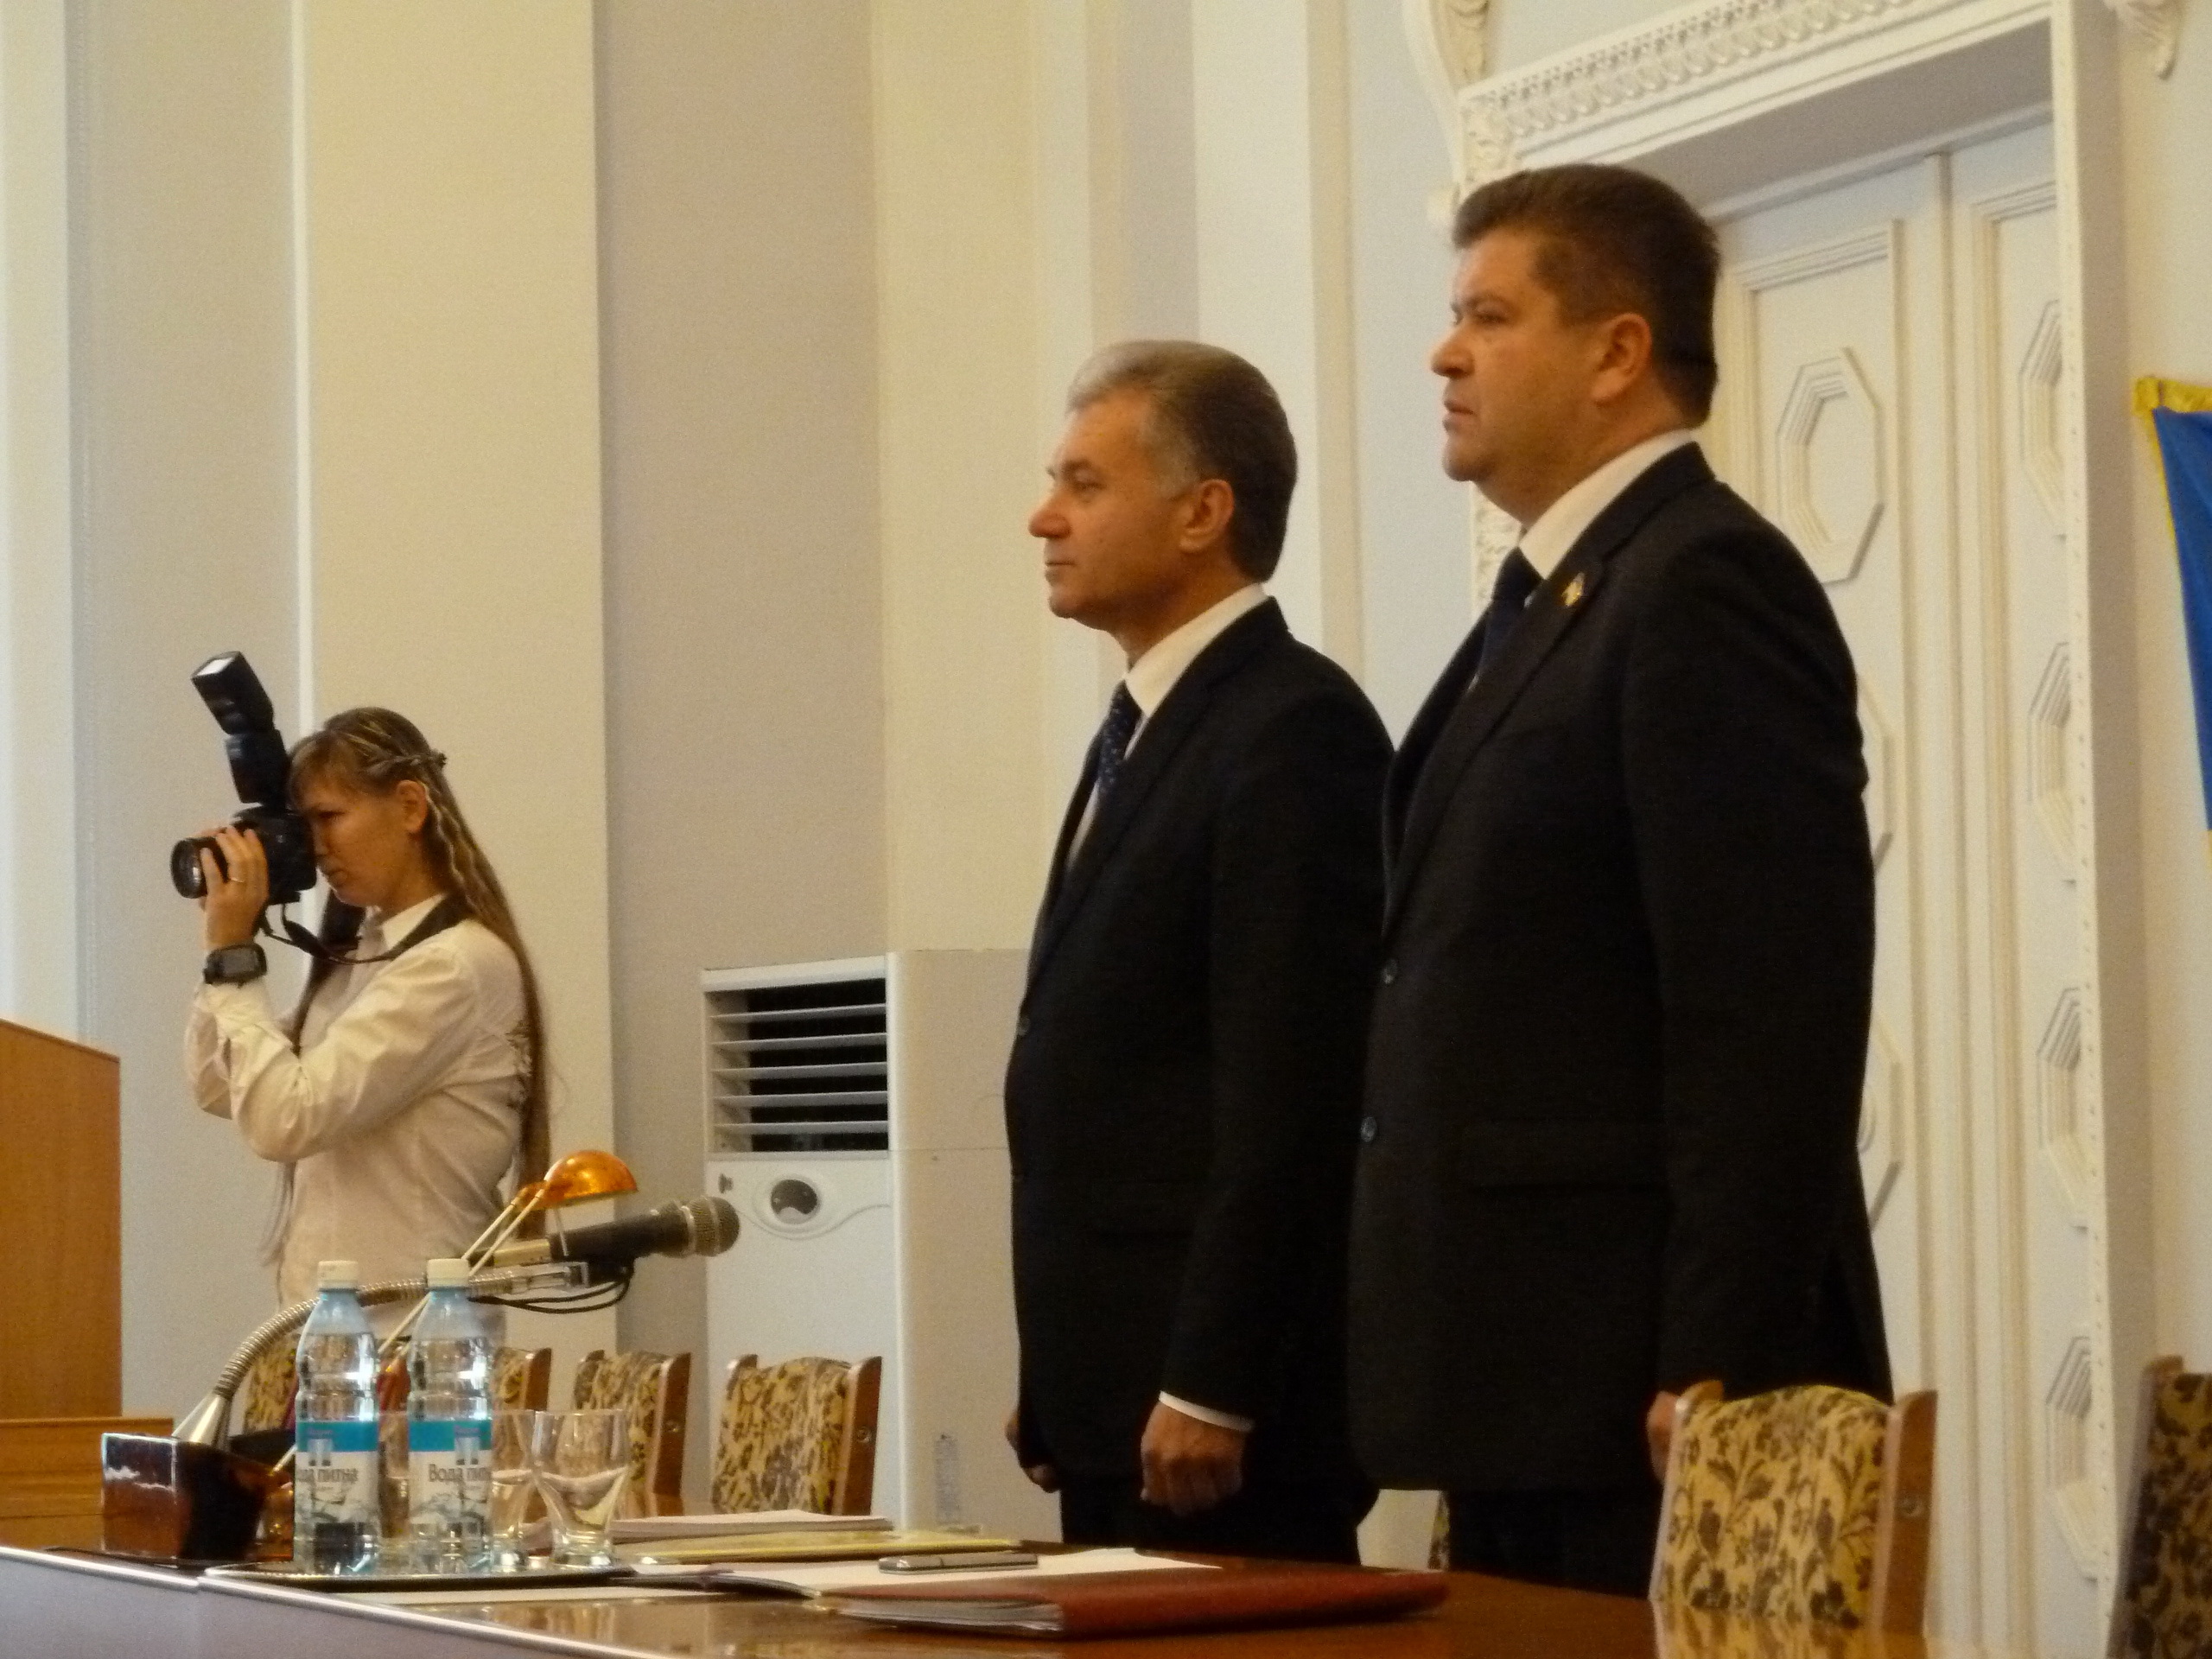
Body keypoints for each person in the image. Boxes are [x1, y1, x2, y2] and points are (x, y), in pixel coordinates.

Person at [1349, 164, 1891, 1593]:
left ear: (1617, 352)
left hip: (1642, 1390)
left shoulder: (1702, 582)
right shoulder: (1562, 597)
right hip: (1524, 1370)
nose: (1444, 354)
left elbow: (1765, 1010)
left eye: (1488, 316)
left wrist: (1720, 1357)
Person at [1003, 340, 1390, 1563]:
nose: (1044, 517)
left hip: (1223, 1424)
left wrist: (1214, 1379)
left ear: (1201, 512)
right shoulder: (1145, 725)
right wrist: (1061, 1366)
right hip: (1115, 1394)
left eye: (1084, 483)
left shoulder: (1293, 728)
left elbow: (1292, 1090)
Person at [187, 708, 547, 1311]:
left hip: (414, 1338)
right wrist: (226, 947)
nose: (316, 847)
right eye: (304, 825)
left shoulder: (454, 965)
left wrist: (235, 960)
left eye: (328, 817)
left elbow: (283, 1121)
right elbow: (217, 1085)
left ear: (409, 806)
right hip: (342, 1331)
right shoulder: (367, 958)